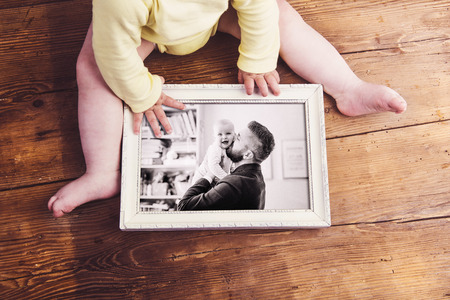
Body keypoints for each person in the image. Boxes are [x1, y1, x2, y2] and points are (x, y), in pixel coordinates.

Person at [48, 0, 407, 217]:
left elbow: (258, 7)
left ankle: (348, 87)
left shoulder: (242, 174)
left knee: (282, 16)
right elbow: (113, 53)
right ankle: (102, 172)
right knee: (93, 67)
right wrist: (142, 94)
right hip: (148, 29)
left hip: (219, 13)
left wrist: (257, 57)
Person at [178, 121, 274, 210]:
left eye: (238, 138)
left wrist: (209, 174)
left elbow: (183, 206)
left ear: (247, 154)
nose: (232, 139)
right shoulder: (257, 179)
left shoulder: (235, 183)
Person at [191, 119, 235, 184]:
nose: (224, 137)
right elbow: (213, 166)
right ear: (214, 137)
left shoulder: (230, 149)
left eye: (228, 133)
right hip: (201, 179)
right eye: (220, 134)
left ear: (234, 135)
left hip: (214, 181)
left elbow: (230, 165)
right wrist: (227, 178)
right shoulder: (215, 148)